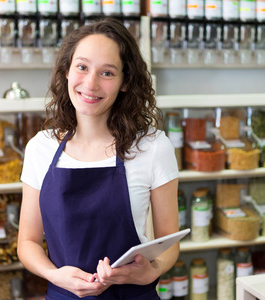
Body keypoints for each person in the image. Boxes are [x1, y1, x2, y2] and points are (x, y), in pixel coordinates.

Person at [17, 18, 180, 299]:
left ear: (126, 82)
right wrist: (55, 275)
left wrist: (152, 271)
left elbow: (169, 244)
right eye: (82, 67)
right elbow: (28, 242)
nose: (90, 84)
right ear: (67, 71)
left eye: (107, 73)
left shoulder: (153, 147)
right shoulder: (40, 148)